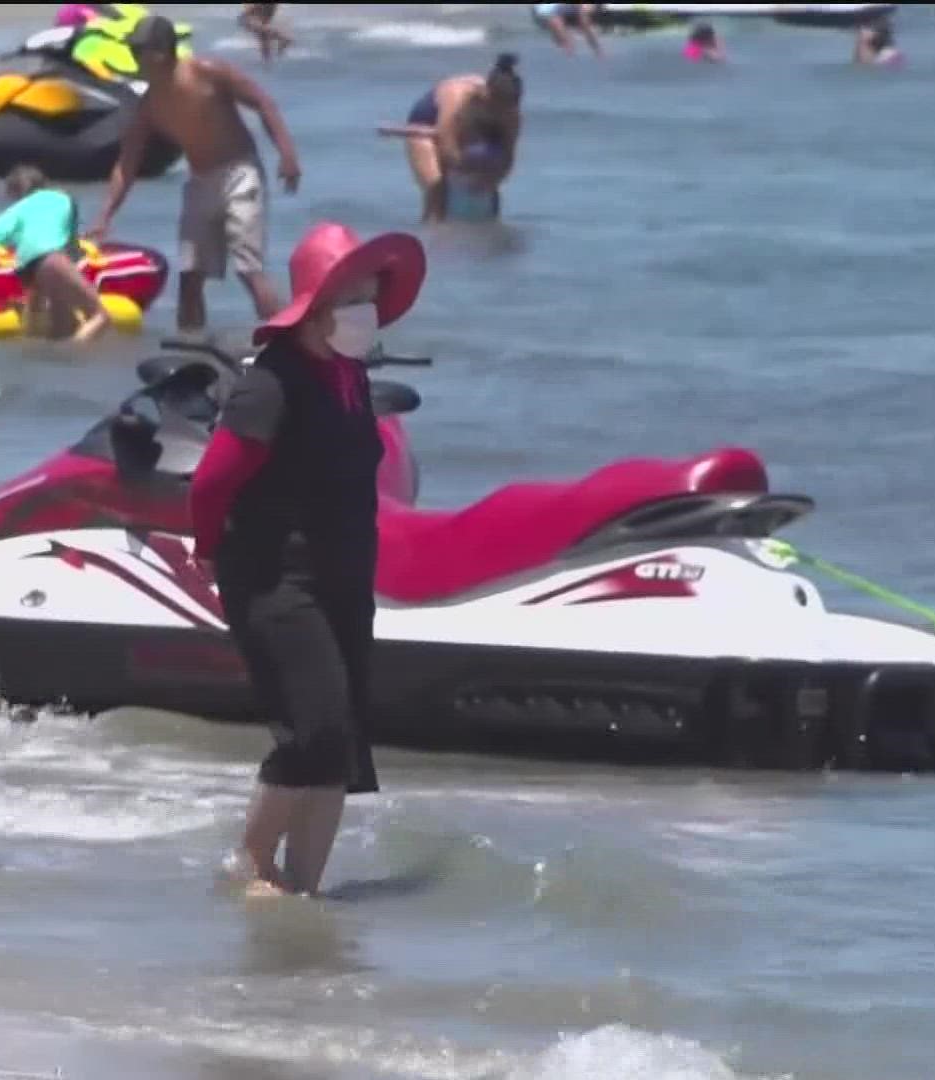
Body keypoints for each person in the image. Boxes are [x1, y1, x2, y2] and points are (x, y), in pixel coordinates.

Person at [188, 221, 426, 899]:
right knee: (312, 726)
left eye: (371, 293)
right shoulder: (273, 382)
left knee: (342, 742)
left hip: (344, 574)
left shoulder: (349, 374)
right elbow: (211, 482)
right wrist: (208, 550)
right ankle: (252, 866)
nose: (367, 307)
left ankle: (304, 888)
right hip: (274, 576)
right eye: (352, 293)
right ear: (315, 304)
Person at [89, 14, 301, 335]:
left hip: (240, 173)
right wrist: (105, 216)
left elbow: (263, 103)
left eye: (138, 52)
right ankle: (190, 351)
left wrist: (287, 156)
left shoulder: (208, 73)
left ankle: (291, 340)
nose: (133, 59)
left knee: (248, 270)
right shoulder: (149, 105)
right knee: (189, 278)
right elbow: (128, 162)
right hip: (200, 182)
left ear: (160, 53)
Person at [0, 165, 110, 342]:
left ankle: (46, 353)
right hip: (51, 259)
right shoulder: (62, 198)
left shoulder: (16, 210)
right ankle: (71, 354)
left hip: (25, 269)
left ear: (14, 192)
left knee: (64, 324)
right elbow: (70, 244)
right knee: (100, 316)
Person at [402, 54, 523, 224]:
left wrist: (491, 179)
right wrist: (465, 171)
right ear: (484, 93)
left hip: (473, 133)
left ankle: (490, 240)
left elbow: (508, 159)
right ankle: (430, 237)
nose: (498, 112)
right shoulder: (457, 97)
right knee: (437, 190)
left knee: (492, 192)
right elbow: (447, 146)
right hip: (426, 126)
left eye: (504, 109)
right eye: (494, 106)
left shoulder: (512, 115)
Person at [532, 3, 604, 56]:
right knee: (555, 21)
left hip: (571, 11)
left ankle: (596, 48)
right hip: (552, 13)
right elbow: (544, 12)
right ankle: (566, 44)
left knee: (584, 21)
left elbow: (587, 8)